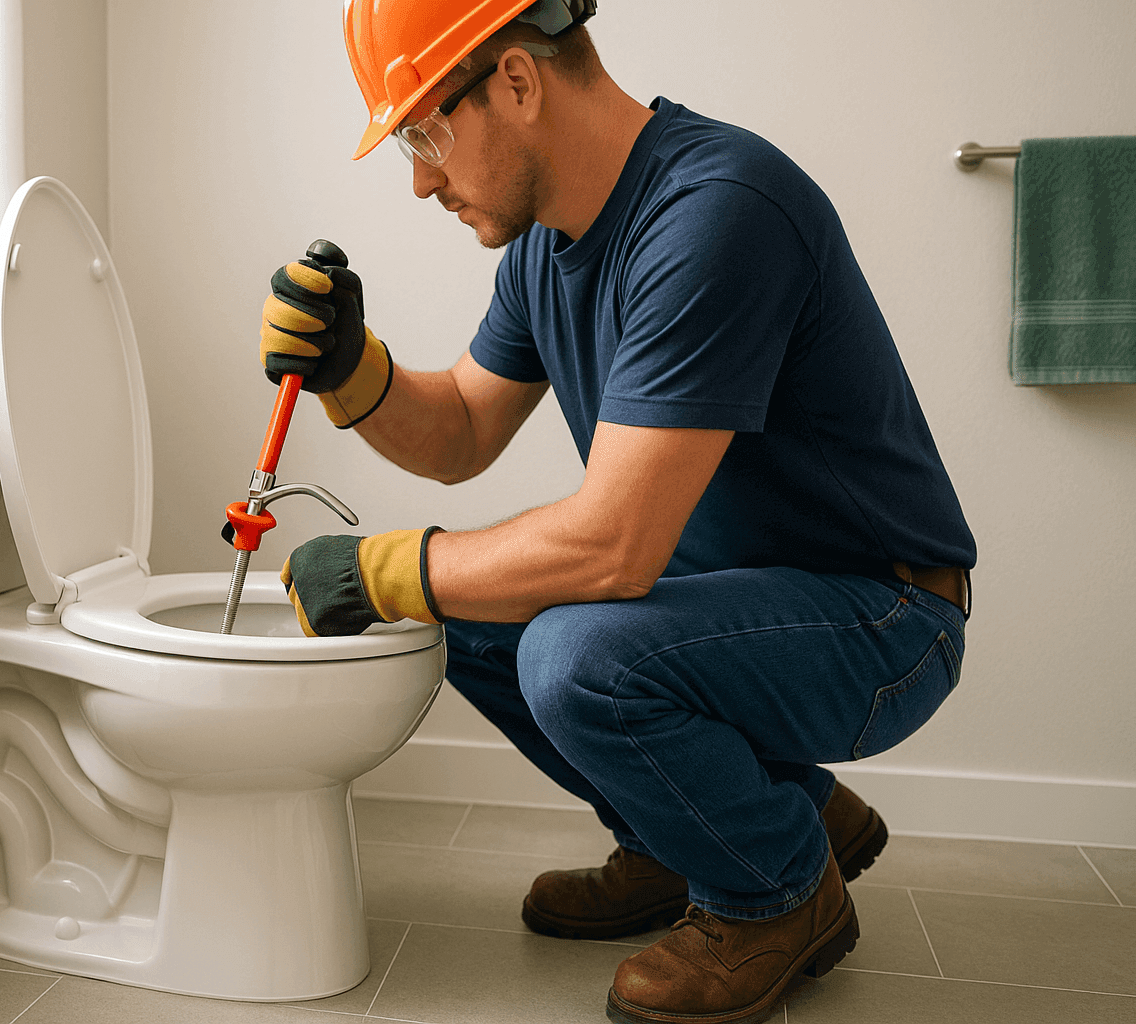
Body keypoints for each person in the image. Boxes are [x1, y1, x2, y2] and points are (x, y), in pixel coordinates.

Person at [253, 2, 976, 1021]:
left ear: (515, 81)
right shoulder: (545, 252)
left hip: (883, 614)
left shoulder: (716, 212)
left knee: (572, 653)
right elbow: (461, 428)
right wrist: (351, 371)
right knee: (472, 615)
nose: (420, 180)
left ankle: (775, 889)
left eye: (424, 135)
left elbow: (614, 548)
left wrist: (385, 569)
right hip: (731, 602)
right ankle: (692, 834)